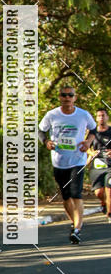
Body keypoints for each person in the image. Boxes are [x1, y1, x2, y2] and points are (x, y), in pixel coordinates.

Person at [38, 85, 95, 244]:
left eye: (70, 95)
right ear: (60, 97)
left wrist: (88, 142)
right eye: (64, 95)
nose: (67, 98)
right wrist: (46, 141)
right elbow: (40, 130)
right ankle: (74, 222)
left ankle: (77, 228)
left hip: (77, 160)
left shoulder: (83, 115)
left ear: (75, 98)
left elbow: (94, 129)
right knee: (66, 196)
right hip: (59, 161)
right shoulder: (52, 115)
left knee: (76, 193)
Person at [87, 108, 111, 222]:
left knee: (109, 189)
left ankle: (109, 213)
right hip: (97, 164)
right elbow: (85, 146)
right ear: (96, 118)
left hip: (110, 164)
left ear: (107, 117)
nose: (101, 118)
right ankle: (104, 202)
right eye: (99, 116)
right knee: (99, 192)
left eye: (103, 115)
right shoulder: (93, 132)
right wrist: (91, 153)